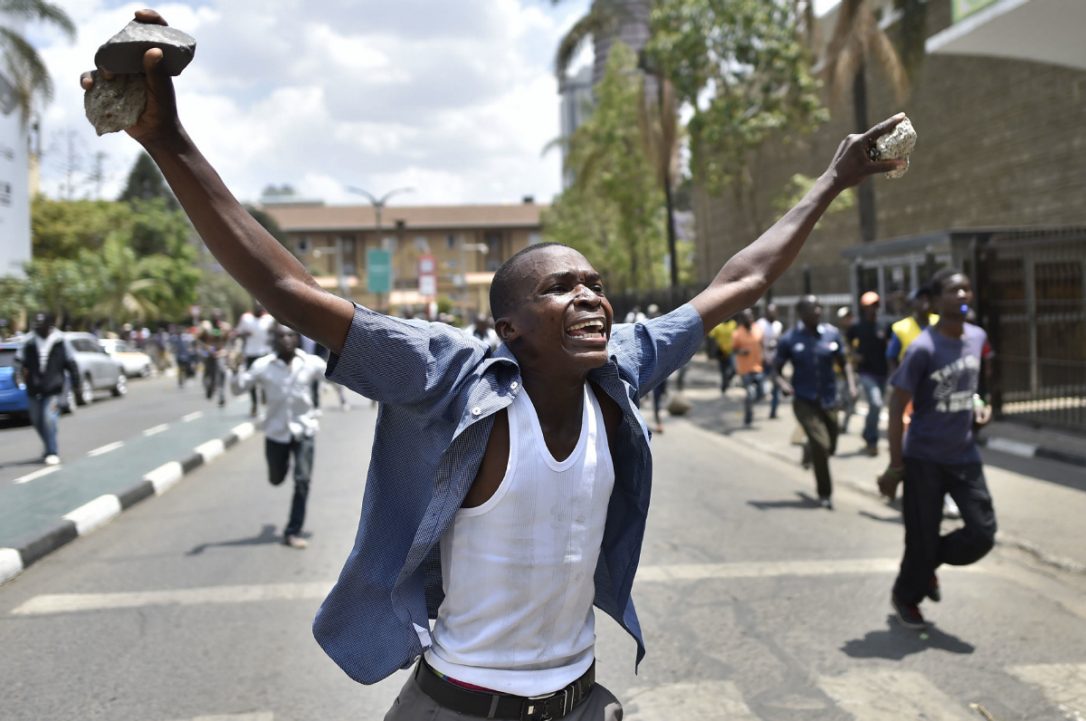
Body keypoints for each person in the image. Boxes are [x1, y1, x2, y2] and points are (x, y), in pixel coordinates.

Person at [81, 17, 906, 715]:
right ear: (507, 325)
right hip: (455, 703)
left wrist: (834, 178)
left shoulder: (620, 366)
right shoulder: (449, 375)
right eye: (561, 289)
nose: (591, 300)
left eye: (596, 286)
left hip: (580, 698)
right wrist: (169, 141)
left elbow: (742, 279)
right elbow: (287, 285)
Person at [877, 269, 997, 630]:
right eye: (952, 289)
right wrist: (896, 466)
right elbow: (897, 407)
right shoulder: (923, 348)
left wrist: (981, 402)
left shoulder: (977, 337)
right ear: (935, 300)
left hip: (964, 455)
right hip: (924, 458)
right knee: (922, 535)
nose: (961, 294)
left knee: (982, 534)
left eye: (966, 288)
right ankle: (906, 596)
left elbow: (979, 384)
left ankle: (925, 564)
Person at [230, 324, 327, 549]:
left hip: (304, 429)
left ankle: (292, 531)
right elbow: (239, 388)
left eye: (291, 335)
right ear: (274, 340)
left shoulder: (310, 363)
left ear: (297, 338)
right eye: (281, 336)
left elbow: (335, 376)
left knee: (302, 481)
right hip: (276, 432)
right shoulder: (263, 366)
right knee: (276, 478)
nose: (286, 340)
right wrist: (234, 370)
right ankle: (279, 472)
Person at [775, 296, 856, 509]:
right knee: (822, 445)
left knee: (830, 447)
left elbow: (844, 363)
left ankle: (809, 449)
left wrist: (852, 385)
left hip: (829, 400)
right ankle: (825, 493)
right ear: (802, 313)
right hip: (804, 401)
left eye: (819, 307)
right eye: (813, 308)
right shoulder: (790, 339)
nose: (818, 311)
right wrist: (783, 384)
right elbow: (775, 370)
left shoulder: (831, 334)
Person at [14, 312, 81, 465]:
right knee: (37, 421)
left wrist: (76, 384)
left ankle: (52, 451)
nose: (39, 329)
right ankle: (48, 445)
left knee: (49, 419)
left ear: (49, 325)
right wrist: (18, 377)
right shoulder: (28, 341)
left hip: (54, 389)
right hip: (34, 388)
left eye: (42, 326)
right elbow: (18, 362)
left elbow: (71, 363)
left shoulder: (60, 340)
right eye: (37, 326)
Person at [847, 291, 890, 456]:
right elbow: (847, 343)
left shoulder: (883, 326)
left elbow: (890, 346)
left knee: (877, 408)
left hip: (882, 373)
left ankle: (867, 432)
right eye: (869, 307)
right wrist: (853, 355)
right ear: (864, 308)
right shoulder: (857, 326)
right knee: (876, 403)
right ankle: (872, 439)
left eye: (875, 306)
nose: (873, 309)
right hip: (866, 373)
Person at [235, 302, 275, 416]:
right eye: (257, 307)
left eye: (262, 306)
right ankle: (254, 404)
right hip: (251, 353)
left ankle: (264, 395)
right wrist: (244, 334)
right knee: (251, 381)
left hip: (265, 353)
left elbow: (274, 332)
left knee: (266, 378)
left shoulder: (268, 319)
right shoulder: (246, 319)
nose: (260, 309)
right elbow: (238, 332)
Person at [731, 309, 764, 426]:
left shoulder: (758, 329)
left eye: (750, 316)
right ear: (742, 319)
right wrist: (741, 351)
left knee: (761, 393)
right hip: (745, 369)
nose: (749, 319)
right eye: (746, 317)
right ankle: (748, 416)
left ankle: (750, 404)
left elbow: (761, 344)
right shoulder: (737, 333)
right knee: (750, 393)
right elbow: (734, 349)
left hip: (758, 367)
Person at [756, 303, 783, 419]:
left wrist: (775, 344)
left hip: (775, 361)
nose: (772, 314)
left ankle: (773, 410)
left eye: (774, 312)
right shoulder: (760, 324)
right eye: (769, 312)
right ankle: (757, 398)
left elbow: (779, 340)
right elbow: (756, 341)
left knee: (776, 387)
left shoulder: (778, 325)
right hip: (762, 360)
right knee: (760, 382)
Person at [707, 316, 737, 392]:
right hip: (721, 352)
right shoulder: (718, 326)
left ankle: (728, 380)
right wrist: (711, 352)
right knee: (723, 371)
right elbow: (711, 337)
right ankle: (724, 386)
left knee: (734, 369)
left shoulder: (733, 324)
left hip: (731, 352)